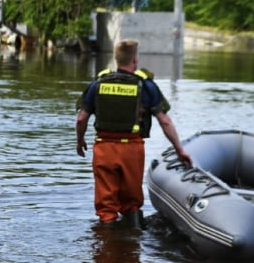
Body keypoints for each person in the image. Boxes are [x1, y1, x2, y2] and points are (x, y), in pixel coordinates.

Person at [76, 39, 191, 225]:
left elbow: (81, 119)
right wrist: (179, 149)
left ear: (116, 59)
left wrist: (80, 141)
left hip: (103, 147)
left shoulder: (98, 83)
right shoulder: (145, 85)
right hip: (131, 149)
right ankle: (133, 244)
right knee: (132, 202)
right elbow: (165, 121)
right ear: (135, 60)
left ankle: (106, 245)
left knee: (106, 207)